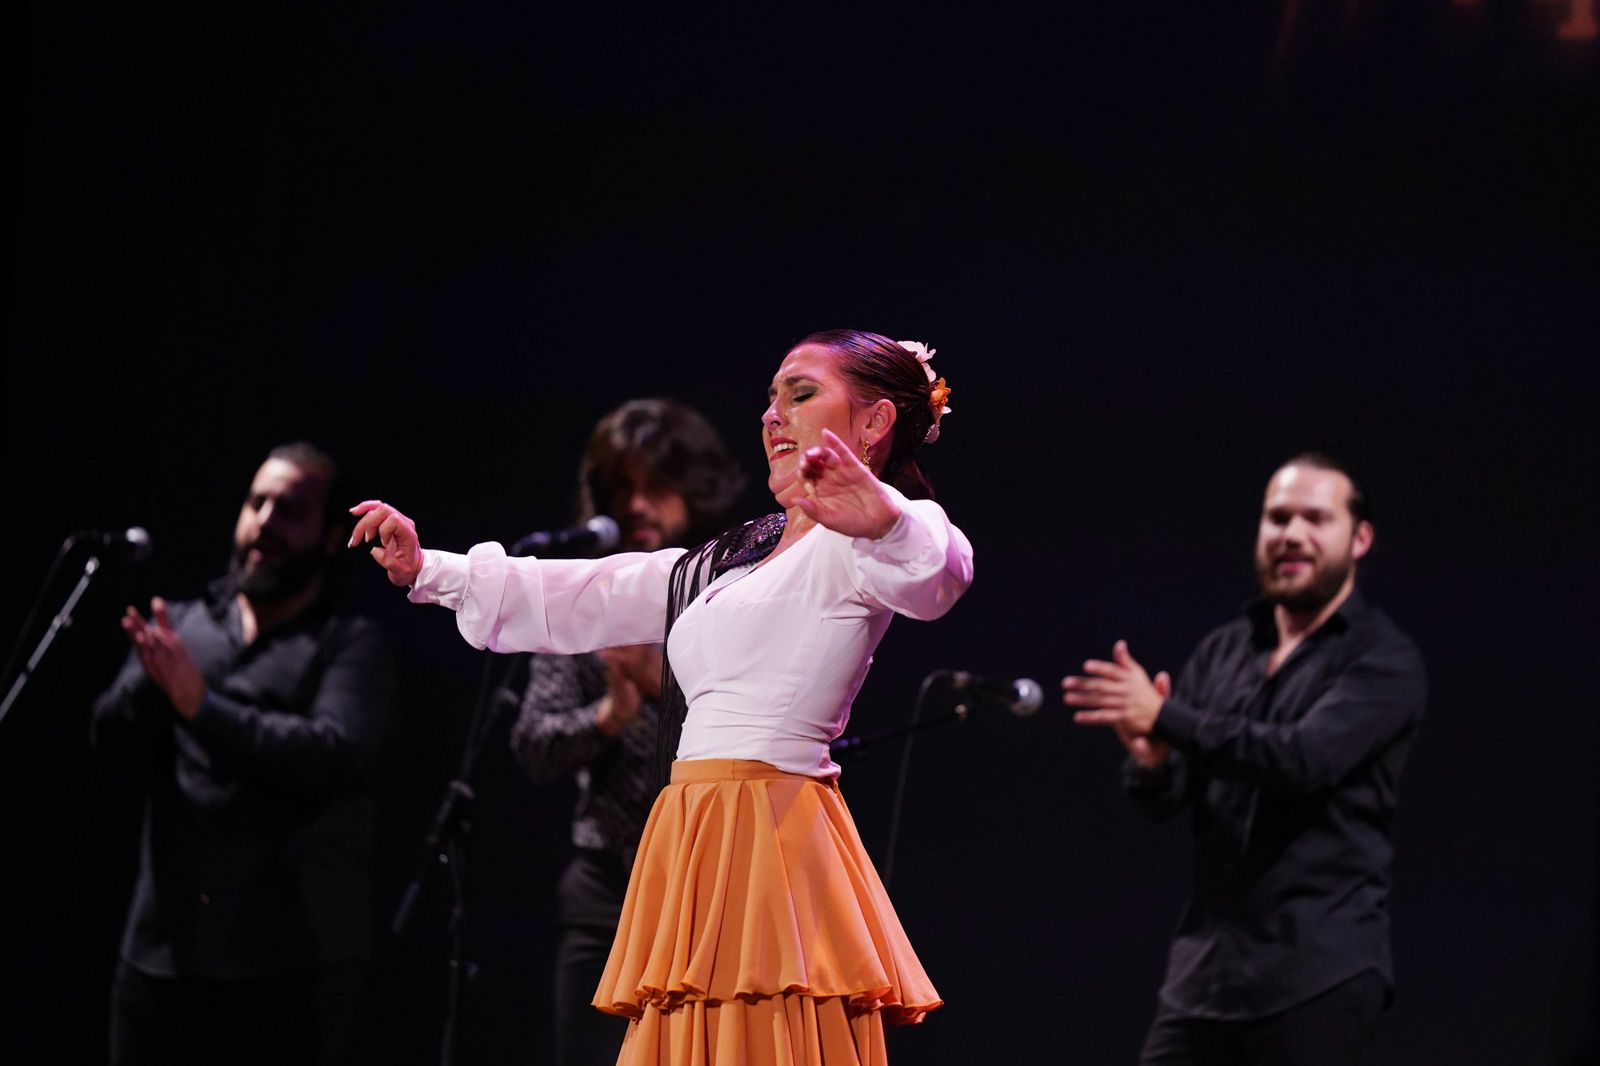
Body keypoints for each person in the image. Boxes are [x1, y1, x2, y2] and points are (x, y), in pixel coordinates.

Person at [350, 330, 969, 1066]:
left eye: (800, 394)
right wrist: (433, 569)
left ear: (873, 423)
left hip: (769, 833)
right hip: (693, 830)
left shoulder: (870, 541)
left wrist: (885, 517)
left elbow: (937, 570)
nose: (773, 415)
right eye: (770, 399)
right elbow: (592, 590)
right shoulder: (732, 556)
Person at [1062, 454, 1427, 1066]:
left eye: (1315, 518)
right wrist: (1153, 760)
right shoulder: (1226, 649)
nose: (1291, 534)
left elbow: (1302, 761)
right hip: (1205, 977)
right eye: (1277, 517)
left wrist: (1169, 719)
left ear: (1359, 538)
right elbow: (1165, 799)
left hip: (1317, 978)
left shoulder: (1384, 660)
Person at [92, 442, 394, 1066]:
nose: (265, 522)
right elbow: (107, 741)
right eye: (257, 503)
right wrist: (154, 686)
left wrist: (202, 706)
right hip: (163, 957)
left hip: (288, 966)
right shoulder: (182, 626)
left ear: (332, 532)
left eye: (291, 509)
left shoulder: (348, 644)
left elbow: (334, 755)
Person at [506, 398, 744, 1066]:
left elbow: (767, 725)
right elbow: (534, 744)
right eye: (622, 489)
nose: (637, 505)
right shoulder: (584, 597)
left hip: (719, 893)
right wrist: (612, 713)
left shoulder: (738, 588)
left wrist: (662, 683)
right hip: (606, 896)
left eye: (657, 486)